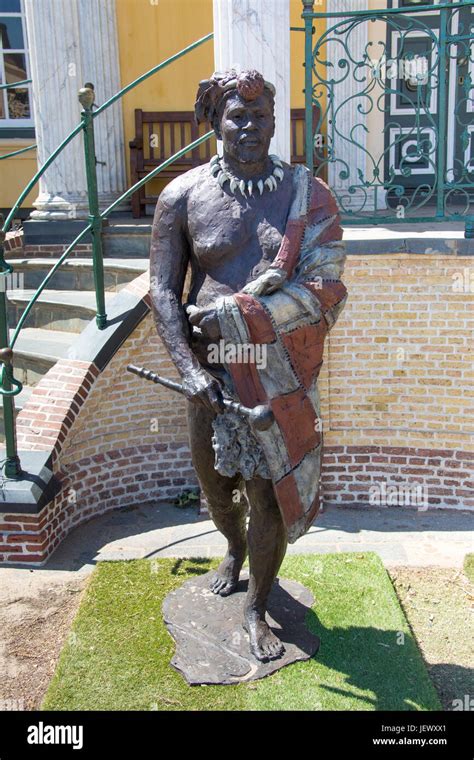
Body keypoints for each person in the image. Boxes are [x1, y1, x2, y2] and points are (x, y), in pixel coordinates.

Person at [150, 69, 347, 662]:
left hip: (276, 376)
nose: (251, 128)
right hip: (209, 376)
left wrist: (244, 318)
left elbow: (326, 288)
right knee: (217, 491)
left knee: (267, 496)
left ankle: (256, 607)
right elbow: (161, 291)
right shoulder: (182, 196)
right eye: (238, 117)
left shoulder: (305, 197)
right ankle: (232, 549)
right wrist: (189, 370)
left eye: (262, 118)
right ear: (215, 123)